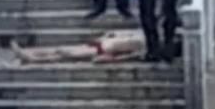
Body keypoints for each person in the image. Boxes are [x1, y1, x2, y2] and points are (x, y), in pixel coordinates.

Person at [12, 31, 146, 65]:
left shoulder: (142, 48)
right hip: (100, 44)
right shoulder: (142, 34)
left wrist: (108, 59)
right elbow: (119, 34)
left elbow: (127, 56)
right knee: (60, 49)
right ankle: (27, 53)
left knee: (63, 54)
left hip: (101, 51)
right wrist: (104, 36)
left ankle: (31, 58)